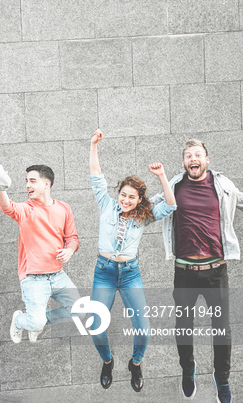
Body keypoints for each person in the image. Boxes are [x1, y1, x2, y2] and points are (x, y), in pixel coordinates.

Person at [151, 139, 243, 403]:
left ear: (207, 159)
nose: (194, 158)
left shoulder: (223, 186)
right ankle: (188, 370)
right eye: (188, 155)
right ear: (183, 162)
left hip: (216, 271)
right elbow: (149, 209)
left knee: (222, 329)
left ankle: (222, 379)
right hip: (185, 272)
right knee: (183, 327)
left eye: (198, 154)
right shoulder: (174, 187)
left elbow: (240, 201)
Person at [88, 129, 176, 392]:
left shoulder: (143, 216)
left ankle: (135, 364)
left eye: (132, 197)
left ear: (139, 200)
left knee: (144, 330)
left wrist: (161, 176)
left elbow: (171, 205)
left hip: (129, 274)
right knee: (96, 327)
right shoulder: (106, 205)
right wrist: (93, 145)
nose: (126, 200)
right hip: (104, 271)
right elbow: (96, 176)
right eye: (123, 195)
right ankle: (107, 360)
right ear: (119, 194)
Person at [0, 163, 83, 344]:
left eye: (32, 181)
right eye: (26, 181)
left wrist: (69, 250)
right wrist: (0, 187)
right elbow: (8, 207)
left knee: (80, 310)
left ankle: (38, 322)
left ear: (47, 184)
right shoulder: (27, 209)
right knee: (35, 322)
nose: (27, 185)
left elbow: (73, 238)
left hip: (58, 275)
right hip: (33, 278)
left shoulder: (63, 208)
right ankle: (20, 321)